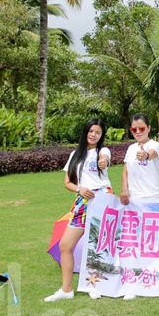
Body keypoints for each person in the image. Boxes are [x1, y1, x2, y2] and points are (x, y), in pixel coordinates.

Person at [45, 119, 112, 302]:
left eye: (98, 132)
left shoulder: (103, 151)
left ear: (101, 136)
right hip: (82, 201)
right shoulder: (75, 154)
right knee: (65, 245)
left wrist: (103, 162)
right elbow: (67, 182)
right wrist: (79, 189)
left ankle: (94, 285)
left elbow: (104, 160)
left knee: (95, 246)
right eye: (91, 131)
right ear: (85, 132)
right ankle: (66, 290)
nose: (93, 135)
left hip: (101, 200)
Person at [119, 113, 159, 301]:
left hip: (152, 199)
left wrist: (145, 154)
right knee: (133, 241)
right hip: (133, 201)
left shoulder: (154, 145)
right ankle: (133, 281)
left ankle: (154, 276)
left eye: (141, 128)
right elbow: (125, 171)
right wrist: (124, 189)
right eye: (134, 129)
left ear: (149, 128)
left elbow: (151, 154)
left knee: (152, 241)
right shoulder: (130, 149)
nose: (138, 132)